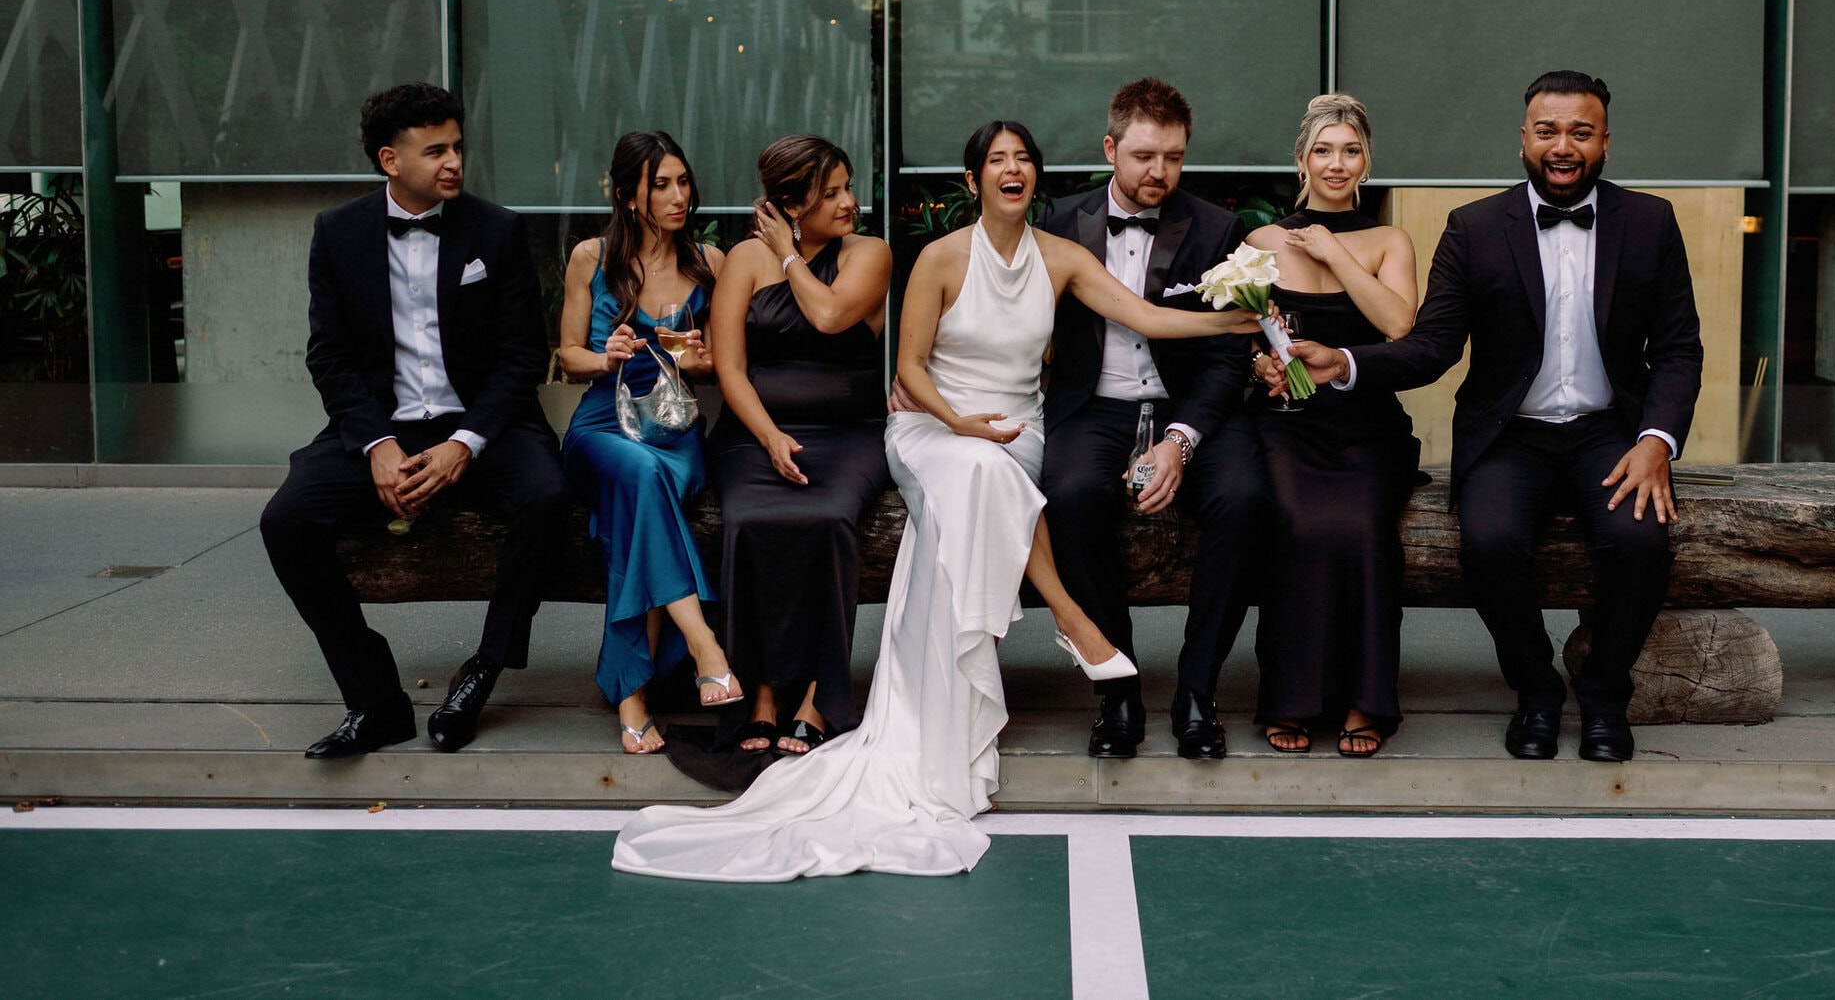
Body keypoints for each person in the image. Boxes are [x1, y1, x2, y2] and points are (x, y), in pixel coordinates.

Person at [611, 121, 1257, 881]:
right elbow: (911, 369)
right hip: (929, 427)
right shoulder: (939, 257)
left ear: (1033, 179)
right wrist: (956, 422)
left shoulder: (1064, 258)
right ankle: (1074, 620)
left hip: (1018, 428)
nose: (1011, 169)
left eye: (1023, 159)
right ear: (974, 179)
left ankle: (1018, 662)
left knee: (994, 467)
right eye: (996, 160)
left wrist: (1237, 319)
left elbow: (1145, 316)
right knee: (981, 469)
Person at [1280, 71, 1702, 762]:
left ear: (1604, 142)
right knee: (1488, 542)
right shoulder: (1474, 228)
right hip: (1512, 436)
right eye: (1547, 131)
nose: (1562, 146)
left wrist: (1657, 438)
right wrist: (1346, 363)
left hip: (1610, 432)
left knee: (1639, 544)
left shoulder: (1651, 221)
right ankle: (1536, 691)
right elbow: (1431, 346)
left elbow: (1679, 347)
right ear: (1523, 141)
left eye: (1580, 132)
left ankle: (1602, 694)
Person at [261, 83, 568, 758]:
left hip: (485, 424)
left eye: (457, 146)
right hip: (384, 426)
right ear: (389, 160)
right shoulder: (337, 233)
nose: (453, 161)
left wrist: (465, 444)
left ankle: (483, 669)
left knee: (547, 495)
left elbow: (522, 359)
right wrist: (375, 443)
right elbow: (330, 356)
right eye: (435, 151)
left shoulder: (498, 229)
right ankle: (375, 701)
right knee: (285, 522)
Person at [1037, 77, 1272, 760]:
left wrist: (1178, 440)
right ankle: (1117, 688)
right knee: (1072, 494)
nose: (1159, 173)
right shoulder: (1056, 223)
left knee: (1244, 498)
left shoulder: (1217, 228)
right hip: (1091, 407)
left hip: (1190, 406)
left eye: (1172, 157)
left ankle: (1198, 690)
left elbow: (1229, 357)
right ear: (1110, 147)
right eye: (1143, 156)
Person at [1247, 94, 1422, 757]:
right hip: (1289, 425)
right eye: (1324, 150)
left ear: (1367, 160)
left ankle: (1365, 698)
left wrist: (1334, 252)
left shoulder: (1388, 240)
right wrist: (1261, 366)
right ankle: (1290, 698)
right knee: (1295, 523)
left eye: (1350, 150)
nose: (1337, 162)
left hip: (1369, 429)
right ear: (1301, 161)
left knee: (1366, 527)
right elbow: (1250, 336)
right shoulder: (1261, 242)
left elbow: (1399, 326)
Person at [708, 135, 892, 755]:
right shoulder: (741, 259)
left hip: (849, 435)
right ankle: (761, 690)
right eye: (831, 192)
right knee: (749, 522)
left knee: (829, 518)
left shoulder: (870, 253)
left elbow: (832, 317)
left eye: (847, 188)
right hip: (755, 434)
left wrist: (789, 257)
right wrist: (768, 436)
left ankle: (818, 691)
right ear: (791, 203)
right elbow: (730, 368)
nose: (848, 202)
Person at [558, 131, 736, 755]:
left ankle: (632, 696)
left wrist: (699, 356)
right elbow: (567, 355)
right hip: (602, 427)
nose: (677, 195)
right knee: (637, 475)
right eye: (660, 184)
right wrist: (605, 357)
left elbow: (721, 363)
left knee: (644, 500)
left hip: (675, 430)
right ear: (629, 193)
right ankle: (704, 645)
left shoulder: (709, 262)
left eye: (683, 181)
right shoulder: (591, 256)